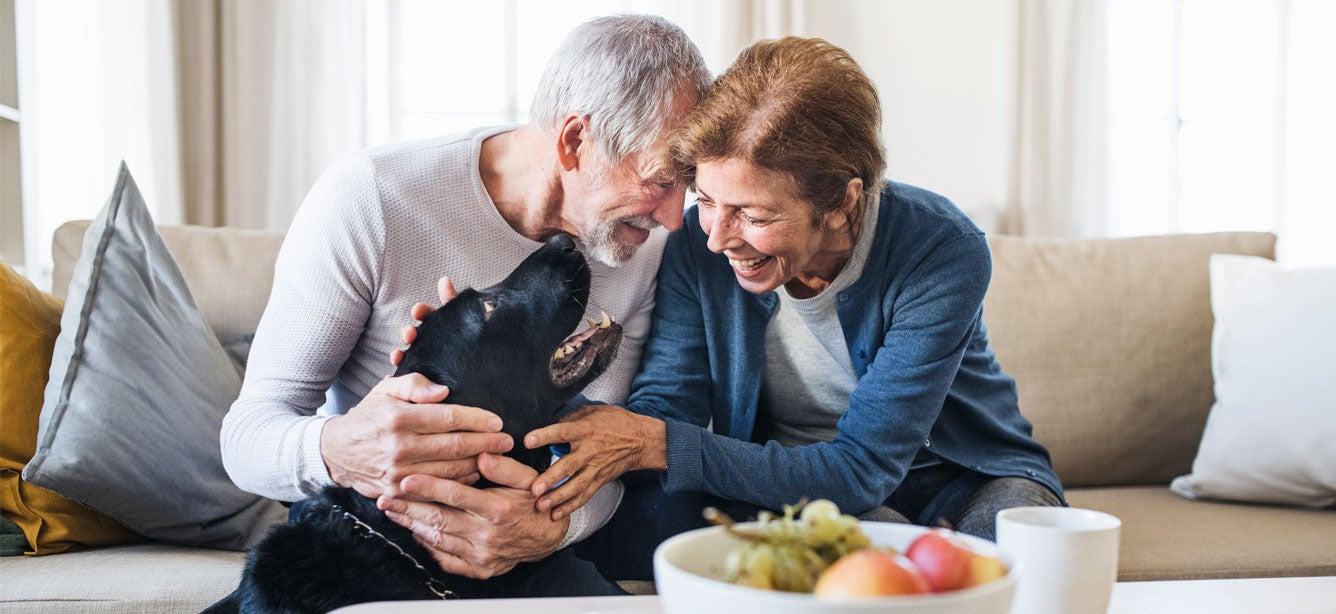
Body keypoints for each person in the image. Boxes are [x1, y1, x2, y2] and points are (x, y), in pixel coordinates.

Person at [487, 36, 1065, 581]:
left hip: (967, 477)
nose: (718, 237)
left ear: (842, 201)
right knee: (855, 558)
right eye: (708, 201)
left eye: (754, 216)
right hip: (792, 485)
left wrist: (655, 440)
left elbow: (862, 469)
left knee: (1016, 552)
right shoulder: (696, 244)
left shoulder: (942, 250)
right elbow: (668, 407)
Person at [220, 14, 710, 593]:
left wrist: (552, 525)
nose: (675, 218)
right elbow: (246, 439)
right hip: (370, 537)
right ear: (575, 140)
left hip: (527, 547)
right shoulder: (374, 197)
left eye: (689, 183)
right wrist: (342, 447)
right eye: (660, 180)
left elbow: (601, 454)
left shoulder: (642, 245)